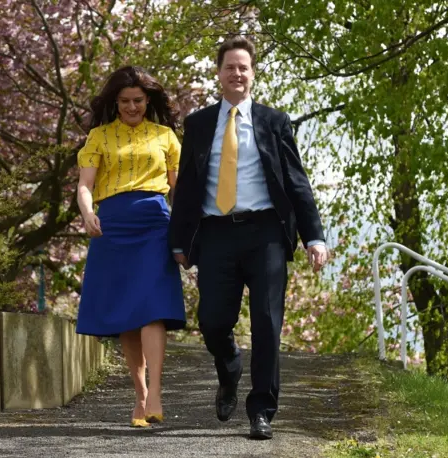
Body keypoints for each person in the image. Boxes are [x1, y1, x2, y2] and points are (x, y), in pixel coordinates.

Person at [168, 36, 329, 440]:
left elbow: (296, 182)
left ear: (252, 74)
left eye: (244, 67)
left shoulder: (274, 122)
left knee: (267, 324)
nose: (236, 74)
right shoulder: (199, 124)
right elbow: (187, 186)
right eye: (229, 67)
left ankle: (261, 411)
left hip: (266, 235)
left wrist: (314, 236)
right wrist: (179, 241)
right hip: (216, 234)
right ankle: (229, 367)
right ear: (218, 73)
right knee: (212, 322)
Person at [76, 66, 186, 428]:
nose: (132, 107)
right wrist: (88, 212)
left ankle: (155, 393)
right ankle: (139, 395)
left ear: (148, 100)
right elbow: (85, 185)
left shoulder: (166, 136)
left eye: (138, 100)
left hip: (155, 225)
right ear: (115, 102)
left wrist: (185, 231)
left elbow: (178, 189)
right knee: (128, 315)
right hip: (114, 227)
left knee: (153, 308)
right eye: (124, 101)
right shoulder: (99, 137)